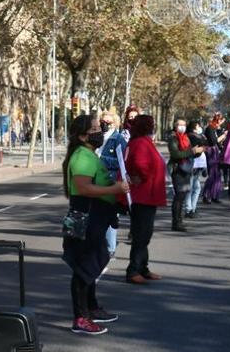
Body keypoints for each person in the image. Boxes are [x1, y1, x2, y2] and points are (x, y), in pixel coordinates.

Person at [62, 113, 130, 334]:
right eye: (93, 129)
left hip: (95, 217)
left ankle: (90, 308)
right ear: (82, 136)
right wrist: (115, 189)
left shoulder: (89, 154)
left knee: (91, 263)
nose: (99, 131)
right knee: (85, 267)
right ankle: (80, 318)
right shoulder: (82, 156)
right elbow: (84, 188)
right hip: (86, 217)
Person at [124, 115, 165, 284]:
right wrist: (145, 176)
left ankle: (142, 267)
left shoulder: (142, 141)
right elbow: (141, 164)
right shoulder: (140, 142)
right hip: (143, 194)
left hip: (147, 194)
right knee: (141, 234)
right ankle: (133, 270)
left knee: (145, 234)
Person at [97, 111, 127, 257]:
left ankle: (110, 247)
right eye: (103, 121)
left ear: (114, 124)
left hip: (111, 180)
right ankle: (99, 244)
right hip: (95, 180)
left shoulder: (118, 139)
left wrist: (102, 159)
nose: (104, 124)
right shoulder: (96, 137)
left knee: (109, 214)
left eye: (108, 122)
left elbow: (122, 162)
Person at [167, 118, 202, 231]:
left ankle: (179, 220)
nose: (182, 127)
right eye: (179, 125)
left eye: (184, 125)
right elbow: (176, 154)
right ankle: (176, 222)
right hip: (178, 170)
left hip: (186, 169)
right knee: (179, 196)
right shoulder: (173, 138)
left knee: (182, 196)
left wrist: (198, 152)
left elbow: (189, 153)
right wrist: (192, 151)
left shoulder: (186, 138)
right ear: (175, 126)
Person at [186, 121, 208, 217]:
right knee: (190, 188)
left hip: (198, 164)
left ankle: (193, 209)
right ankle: (189, 209)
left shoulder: (198, 136)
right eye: (198, 126)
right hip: (193, 164)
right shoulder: (191, 136)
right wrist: (202, 146)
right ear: (194, 127)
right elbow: (200, 147)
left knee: (196, 188)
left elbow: (205, 145)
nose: (200, 128)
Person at [202, 113, 225, 204]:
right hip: (211, 152)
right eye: (219, 120)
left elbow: (217, 143)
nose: (220, 122)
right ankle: (207, 195)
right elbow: (213, 141)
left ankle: (215, 195)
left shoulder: (215, 129)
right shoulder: (209, 129)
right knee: (212, 174)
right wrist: (222, 137)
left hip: (215, 152)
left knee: (218, 175)